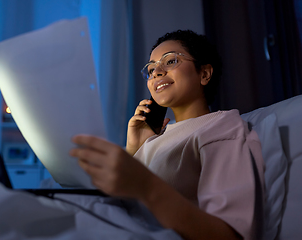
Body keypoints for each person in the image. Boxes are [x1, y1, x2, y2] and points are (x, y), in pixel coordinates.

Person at [70, 30, 264, 240]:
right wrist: (135, 149)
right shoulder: (157, 136)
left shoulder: (220, 126)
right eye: (151, 69)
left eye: (170, 61)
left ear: (204, 74)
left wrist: (146, 184)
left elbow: (228, 235)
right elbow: (125, 201)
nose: (157, 72)